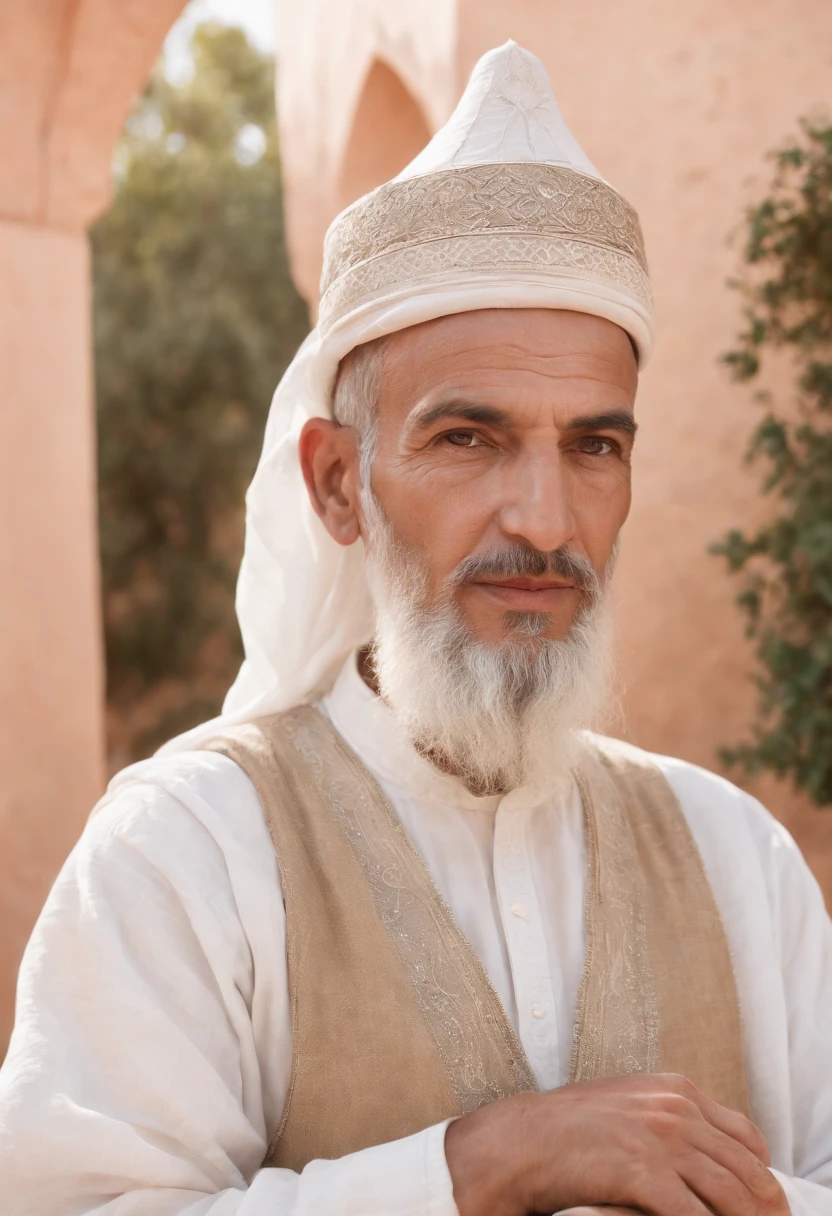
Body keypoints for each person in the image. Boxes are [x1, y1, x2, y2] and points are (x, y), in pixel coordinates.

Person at [1, 40, 830, 1216]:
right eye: (468, 438)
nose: (545, 522)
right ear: (338, 483)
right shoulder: (189, 852)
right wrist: (480, 1165)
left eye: (593, 445)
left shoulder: (736, 858)